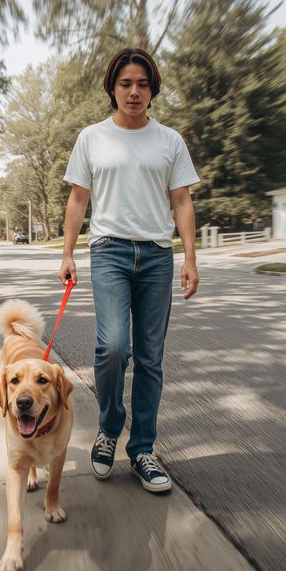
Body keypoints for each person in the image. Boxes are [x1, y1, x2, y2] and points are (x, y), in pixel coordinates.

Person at [57, 47, 199, 493]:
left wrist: (191, 257)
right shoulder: (92, 138)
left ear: (152, 90)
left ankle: (141, 451)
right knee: (114, 346)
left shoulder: (169, 140)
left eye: (142, 84)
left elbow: (182, 201)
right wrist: (67, 253)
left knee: (151, 357)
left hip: (157, 255)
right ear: (112, 89)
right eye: (125, 84)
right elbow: (78, 198)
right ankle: (109, 427)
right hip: (110, 252)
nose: (134, 92)